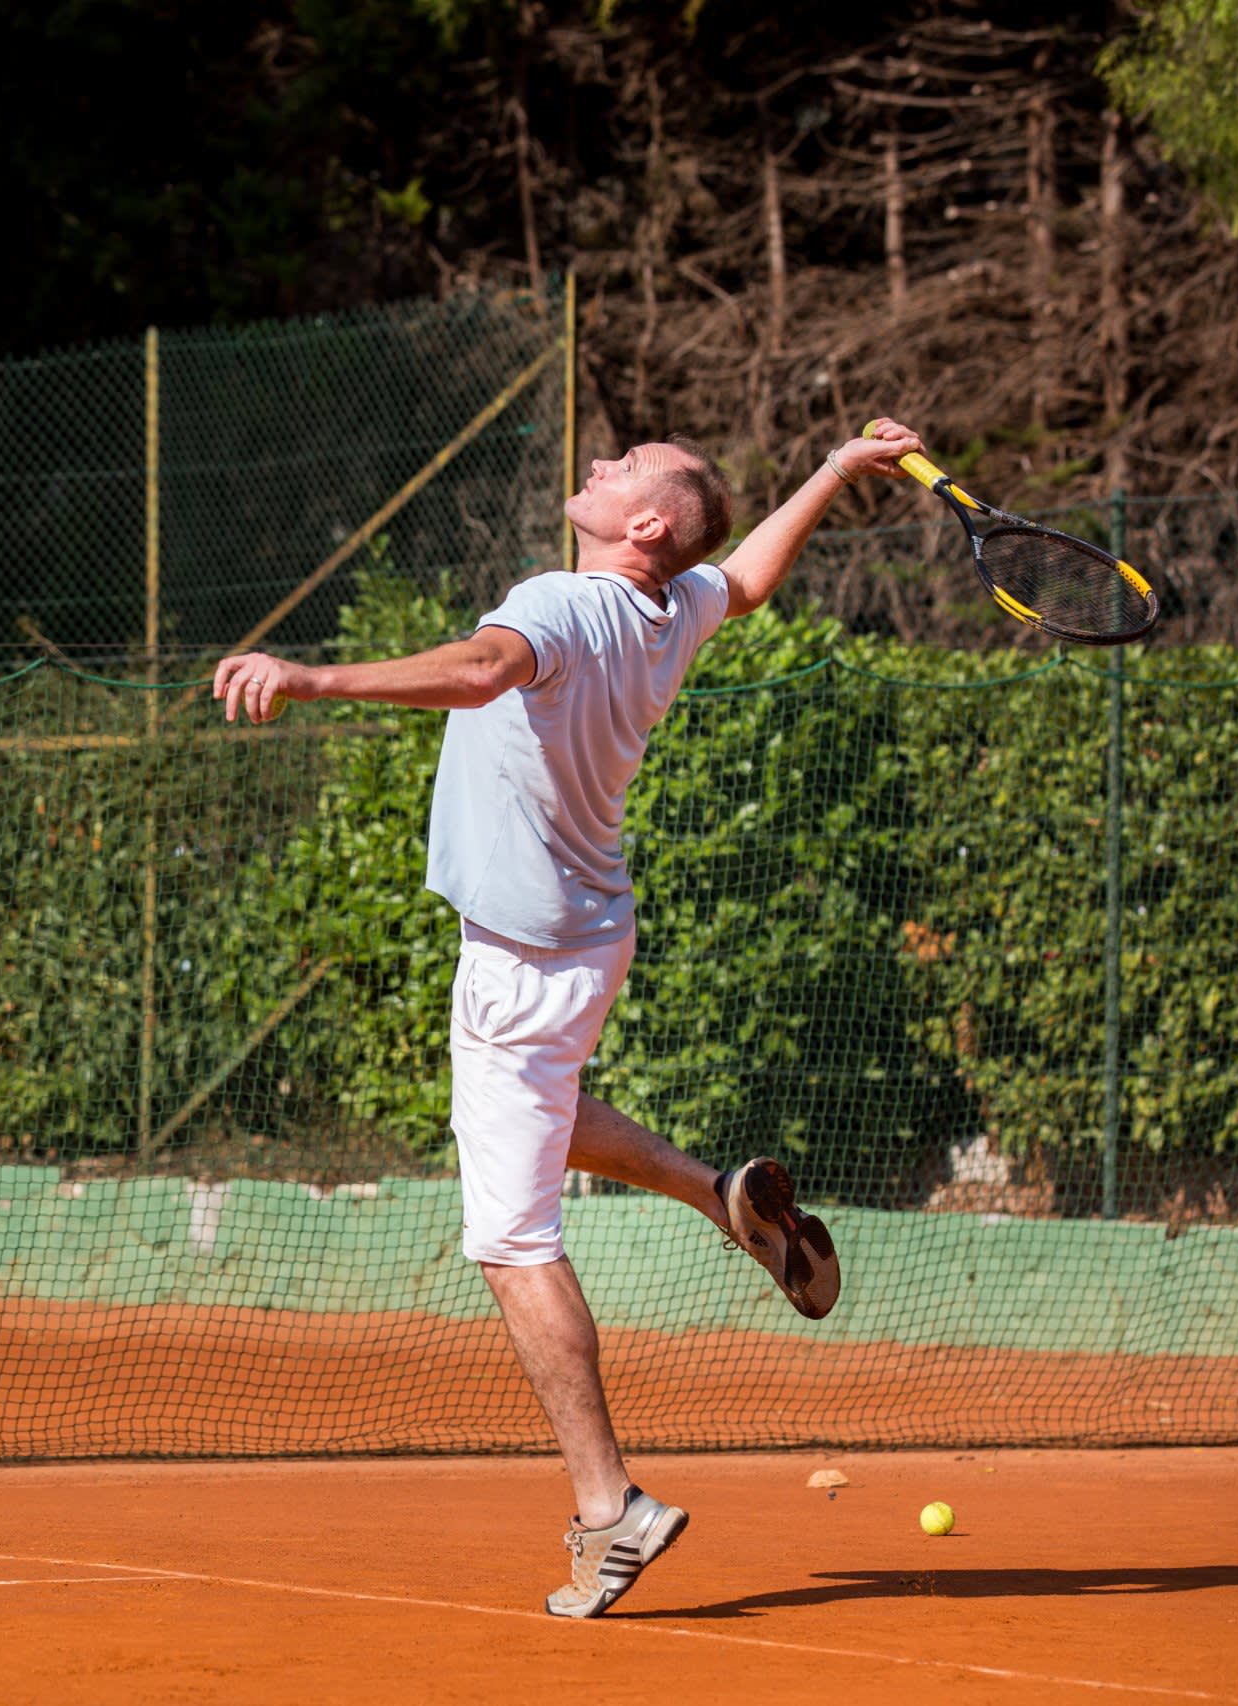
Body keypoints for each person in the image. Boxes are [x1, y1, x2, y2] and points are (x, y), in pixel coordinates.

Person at [211, 419, 927, 1617]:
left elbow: (487, 670)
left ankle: (611, 1507)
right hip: (588, 935)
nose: (596, 466)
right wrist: (839, 468)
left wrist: (311, 675)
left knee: (509, 1238)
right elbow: (746, 578)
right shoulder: (670, 608)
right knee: (545, 1111)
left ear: (642, 525)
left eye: (622, 468)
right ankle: (718, 1191)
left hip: (521, 953)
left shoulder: (565, 601)